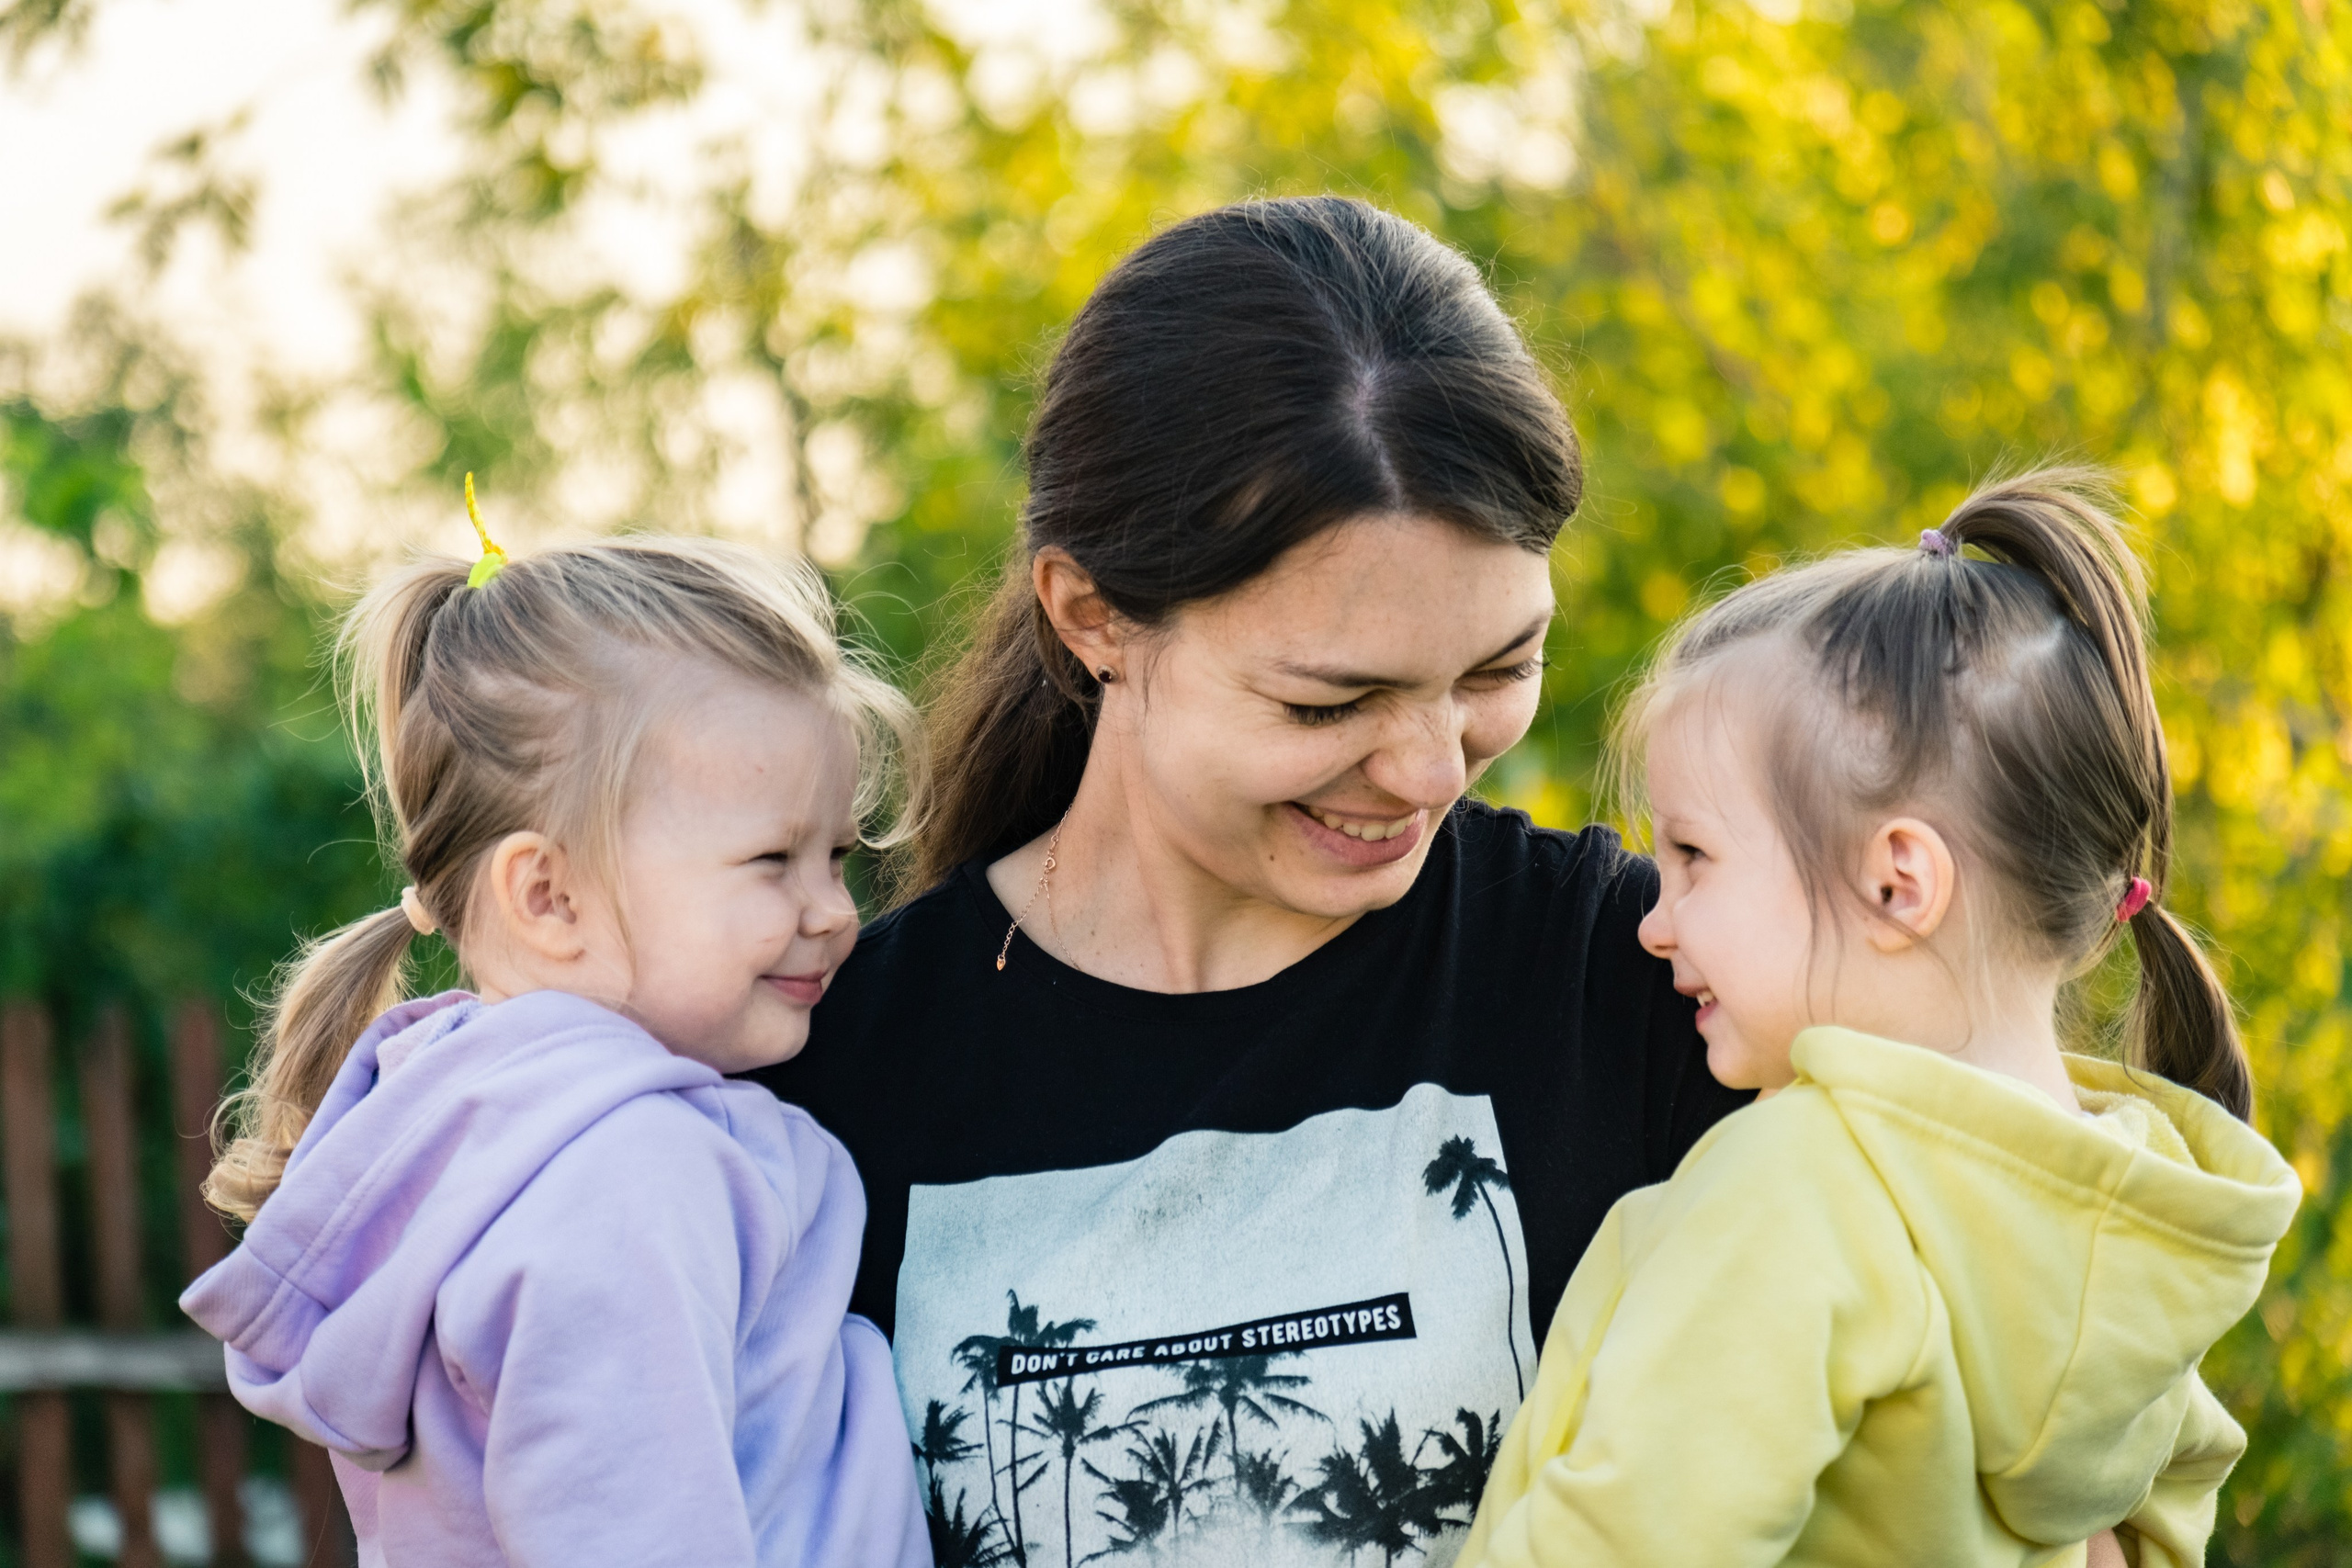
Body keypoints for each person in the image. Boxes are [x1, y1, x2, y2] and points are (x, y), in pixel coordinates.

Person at [757, 196, 1747, 1568]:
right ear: (1090, 613)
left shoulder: (1641, 974)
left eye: (1494, 672)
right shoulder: (831, 1072)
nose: (1423, 770)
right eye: (1328, 701)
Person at [1458, 472, 2301, 1567]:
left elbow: (1624, 1540)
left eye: (1693, 859)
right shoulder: (2127, 1207)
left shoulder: (1802, 1188)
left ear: (1898, 882)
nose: (1652, 925)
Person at [180, 513, 929, 1568]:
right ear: (548, 894)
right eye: (773, 861)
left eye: (838, 855)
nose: (834, 911)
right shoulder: (624, 1172)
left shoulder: (478, 1128)